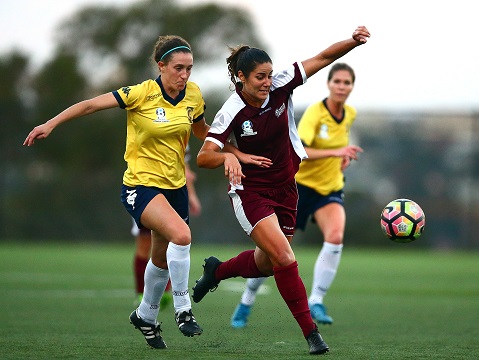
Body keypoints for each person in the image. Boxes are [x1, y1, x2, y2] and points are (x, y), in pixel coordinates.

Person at [192, 26, 370, 355]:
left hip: (287, 189)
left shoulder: (281, 84)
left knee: (268, 263)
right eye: (260, 76)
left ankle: (218, 270)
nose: (267, 81)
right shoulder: (232, 110)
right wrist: (234, 155)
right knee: (286, 260)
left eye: (270, 75)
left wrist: (354, 42)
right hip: (251, 193)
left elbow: (324, 57)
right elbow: (205, 156)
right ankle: (312, 334)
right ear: (241, 78)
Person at [24, 35, 209, 349]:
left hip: (175, 187)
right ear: (161, 65)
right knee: (182, 236)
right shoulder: (141, 93)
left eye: (189, 68)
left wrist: (236, 152)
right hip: (140, 185)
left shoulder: (193, 95)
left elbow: (204, 133)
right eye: (178, 68)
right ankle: (183, 308)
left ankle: (145, 315)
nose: (184, 75)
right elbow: (90, 104)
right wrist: (51, 123)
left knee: (162, 257)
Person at [230, 63, 363, 329]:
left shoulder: (349, 114)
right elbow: (301, 149)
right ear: (329, 84)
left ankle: (317, 300)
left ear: (351, 87)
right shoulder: (316, 112)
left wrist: (342, 158)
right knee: (275, 253)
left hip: (329, 188)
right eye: (337, 81)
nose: (341, 87)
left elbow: (339, 148)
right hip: (297, 187)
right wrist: (336, 152)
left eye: (347, 82)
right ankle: (247, 299)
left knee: (335, 236)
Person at [132, 147, 202, 309]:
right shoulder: (145, 124)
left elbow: (184, 166)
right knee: (144, 243)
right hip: (145, 190)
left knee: (174, 241)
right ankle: (141, 293)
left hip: (173, 192)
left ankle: (165, 291)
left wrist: (191, 195)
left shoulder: (182, 125)